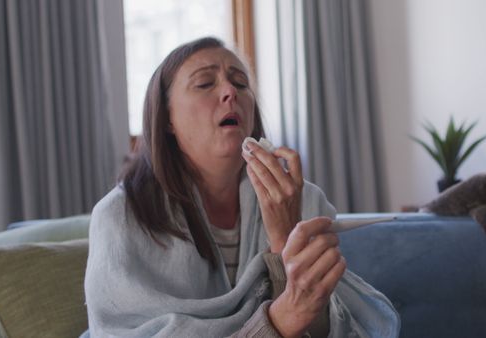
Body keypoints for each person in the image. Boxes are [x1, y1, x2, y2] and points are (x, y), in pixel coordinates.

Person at [83, 37, 400, 337]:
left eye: (241, 83)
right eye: (205, 83)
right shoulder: (121, 216)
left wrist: (284, 243)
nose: (230, 92)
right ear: (167, 119)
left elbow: (326, 328)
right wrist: (278, 321)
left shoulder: (301, 200)